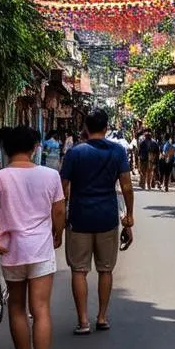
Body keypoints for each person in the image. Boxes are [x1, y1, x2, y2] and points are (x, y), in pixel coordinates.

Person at [0, 125, 65, 349]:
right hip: (41, 250)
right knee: (41, 310)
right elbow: (59, 210)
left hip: (12, 251)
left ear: (5, 149)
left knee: (17, 309)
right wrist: (58, 234)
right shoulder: (51, 175)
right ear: (35, 147)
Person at [59, 109, 134, 334]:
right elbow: (127, 186)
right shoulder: (118, 151)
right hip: (107, 216)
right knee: (106, 269)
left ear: (85, 127)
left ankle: (83, 321)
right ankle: (102, 317)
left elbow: (62, 188)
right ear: (107, 127)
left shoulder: (75, 153)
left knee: (79, 270)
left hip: (79, 216)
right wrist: (129, 217)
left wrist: (61, 216)